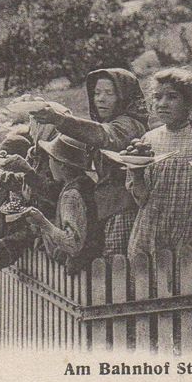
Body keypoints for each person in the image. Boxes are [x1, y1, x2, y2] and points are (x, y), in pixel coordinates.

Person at [30, 68, 148, 256]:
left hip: (123, 209)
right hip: (110, 208)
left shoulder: (129, 125)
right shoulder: (113, 122)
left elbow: (103, 135)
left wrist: (59, 120)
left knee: (116, 268)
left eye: (110, 93)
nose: (101, 99)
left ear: (124, 97)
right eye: (97, 93)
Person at [125, 69, 192, 258]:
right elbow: (141, 199)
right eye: (157, 97)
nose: (162, 104)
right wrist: (137, 172)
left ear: (189, 102)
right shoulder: (148, 140)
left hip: (187, 230)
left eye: (172, 97)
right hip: (150, 231)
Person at [18, 134, 101, 273]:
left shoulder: (71, 195)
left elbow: (72, 244)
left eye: (50, 159)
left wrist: (42, 223)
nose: (49, 165)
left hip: (81, 274)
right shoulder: (85, 184)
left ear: (62, 164)